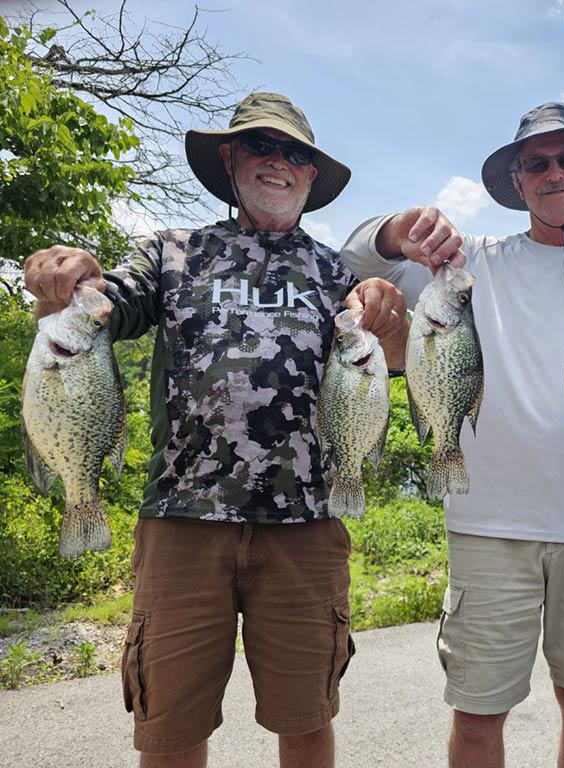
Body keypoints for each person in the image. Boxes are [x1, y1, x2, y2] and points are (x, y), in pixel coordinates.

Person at [23, 92, 409, 768]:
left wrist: (393, 321)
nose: (279, 163)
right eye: (262, 146)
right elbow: (101, 307)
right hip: (181, 521)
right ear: (230, 157)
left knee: (307, 719)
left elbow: (393, 362)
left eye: (296, 154)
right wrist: (59, 281)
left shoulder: (333, 274)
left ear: (312, 176)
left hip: (308, 526)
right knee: (169, 729)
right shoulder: (171, 254)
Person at [340, 102, 564, 767]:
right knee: (476, 716)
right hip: (488, 521)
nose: (554, 173)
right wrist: (397, 229)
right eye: (537, 163)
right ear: (518, 183)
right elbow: (352, 258)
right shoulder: (468, 266)